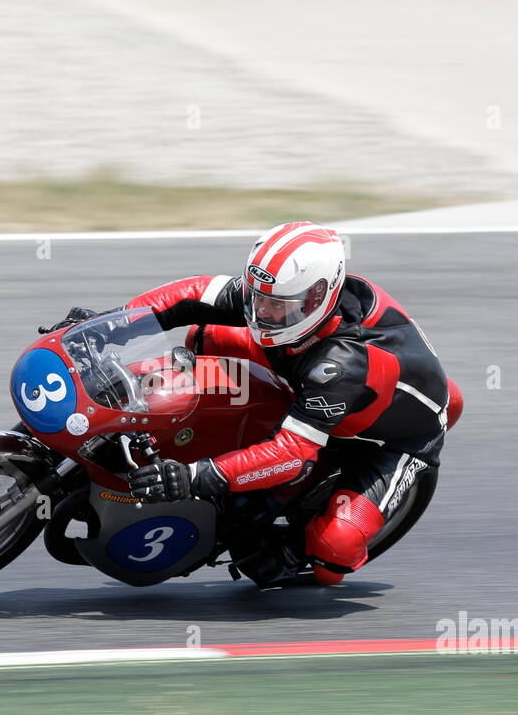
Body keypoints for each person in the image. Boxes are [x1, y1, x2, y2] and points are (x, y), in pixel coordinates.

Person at [50, 222, 459, 585]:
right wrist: (110, 325)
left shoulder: (345, 365)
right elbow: (192, 294)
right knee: (200, 335)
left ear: (319, 297)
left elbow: (292, 454)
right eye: (257, 297)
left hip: (390, 438)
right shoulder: (279, 298)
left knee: (331, 551)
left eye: (278, 306)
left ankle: (298, 554)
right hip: (304, 374)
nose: (263, 312)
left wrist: (193, 477)